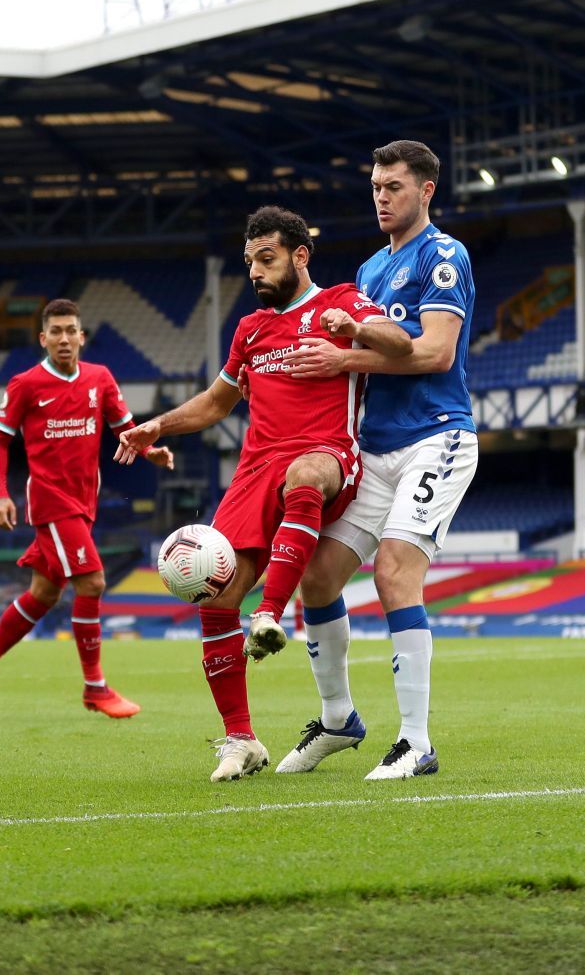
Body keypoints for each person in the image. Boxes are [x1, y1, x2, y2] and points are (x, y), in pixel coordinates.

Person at [116, 206, 408, 780]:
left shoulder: (342, 301)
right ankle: (241, 740)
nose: (255, 271)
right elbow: (216, 403)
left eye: (266, 258)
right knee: (215, 594)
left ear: (300, 256)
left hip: (327, 451)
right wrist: (157, 426)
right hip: (254, 469)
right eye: (249, 261)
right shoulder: (250, 330)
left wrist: (353, 334)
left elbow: (399, 341)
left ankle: (271, 613)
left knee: (304, 477)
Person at [282, 140, 479, 781]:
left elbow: (435, 354)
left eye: (393, 186)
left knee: (395, 573)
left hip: (436, 436)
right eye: (375, 187)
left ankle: (417, 741)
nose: (381, 197)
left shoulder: (444, 256)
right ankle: (339, 720)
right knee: (317, 577)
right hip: (376, 446)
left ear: (425, 191)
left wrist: (343, 356)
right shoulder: (366, 272)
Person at [0, 298, 173, 719]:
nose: (64, 338)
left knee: (44, 593)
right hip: (52, 502)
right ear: (43, 338)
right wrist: (1, 493)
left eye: (71, 330)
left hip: (84, 503)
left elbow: (124, 430)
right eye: (55, 331)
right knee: (92, 583)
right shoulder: (26, 384)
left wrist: (150, 452)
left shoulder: (100, 378)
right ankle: (95, 688)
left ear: (82, 336)